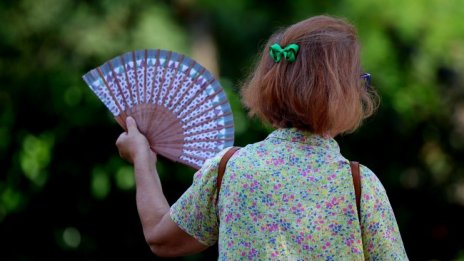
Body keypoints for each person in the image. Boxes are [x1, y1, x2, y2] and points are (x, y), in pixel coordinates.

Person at [116, 15, 408, 260]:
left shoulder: (228, 169)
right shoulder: (359, 185)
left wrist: (142, 157)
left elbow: (160, 238)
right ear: (340, 93)